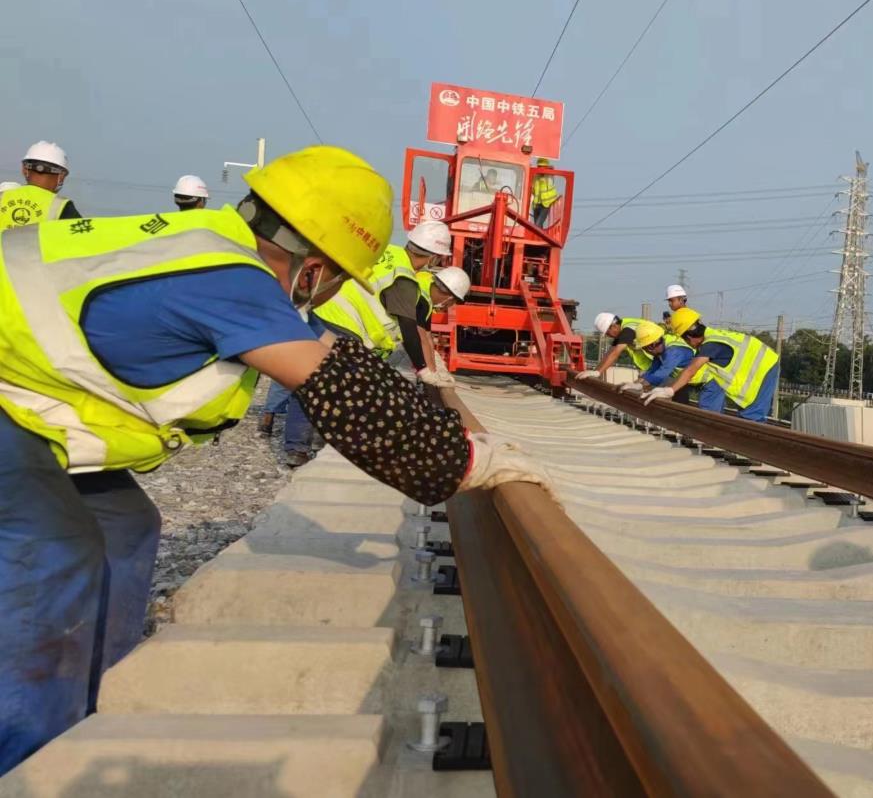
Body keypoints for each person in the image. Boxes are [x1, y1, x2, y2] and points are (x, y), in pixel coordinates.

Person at [0, 145, 547, 774]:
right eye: (341, 276)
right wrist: (465, 462)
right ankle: (27, 756)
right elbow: (342, 401)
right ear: (315, 267)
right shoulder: (229, 280)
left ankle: (88, 699)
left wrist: (442, 422)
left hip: (26, 399)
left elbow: (349, 367)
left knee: (128, 528)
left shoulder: (214, 248)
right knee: (52, 556)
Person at [315, 220, 454, 385]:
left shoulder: (386, 251)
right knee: (331, 387)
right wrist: (424, 370)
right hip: (345, 325)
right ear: (433, 258)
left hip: (322, 311)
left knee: (312, 378)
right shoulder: (404, 278)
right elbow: (410, 330)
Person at [644, 308, 781, 423]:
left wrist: (669, 390)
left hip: (766, 367)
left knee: (752, 416)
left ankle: (752, 451)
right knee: (747, 412)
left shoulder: (711, 345)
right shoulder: (711, 337)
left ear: (688, 338)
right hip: (762, 366)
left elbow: (691, 369)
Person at [0, 141, 81, 230]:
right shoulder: (62, 207)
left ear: (24, 169)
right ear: (61, 176)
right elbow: (82, 238)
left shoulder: (2, 196)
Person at [577, 312, 667, 379]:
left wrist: (598, 372)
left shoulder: (627, 330)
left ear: (613, 326)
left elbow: (616, 353)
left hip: (662, 358)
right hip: (656, 362)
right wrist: (595, 371)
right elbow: (610, 353)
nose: (609, 336)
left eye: (608, 333)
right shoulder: (622, 329)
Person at [530, 158, 559, 228]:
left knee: (537, 225)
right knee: (537, 227)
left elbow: (552, 169)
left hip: (546, 205)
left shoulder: (549, 175)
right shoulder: (536, 176)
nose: (541, 169)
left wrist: (547, 169)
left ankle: (538, 237)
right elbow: (533, 189)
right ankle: (539, 239)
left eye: (543, 167)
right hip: (536, 204)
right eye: (539, 166)